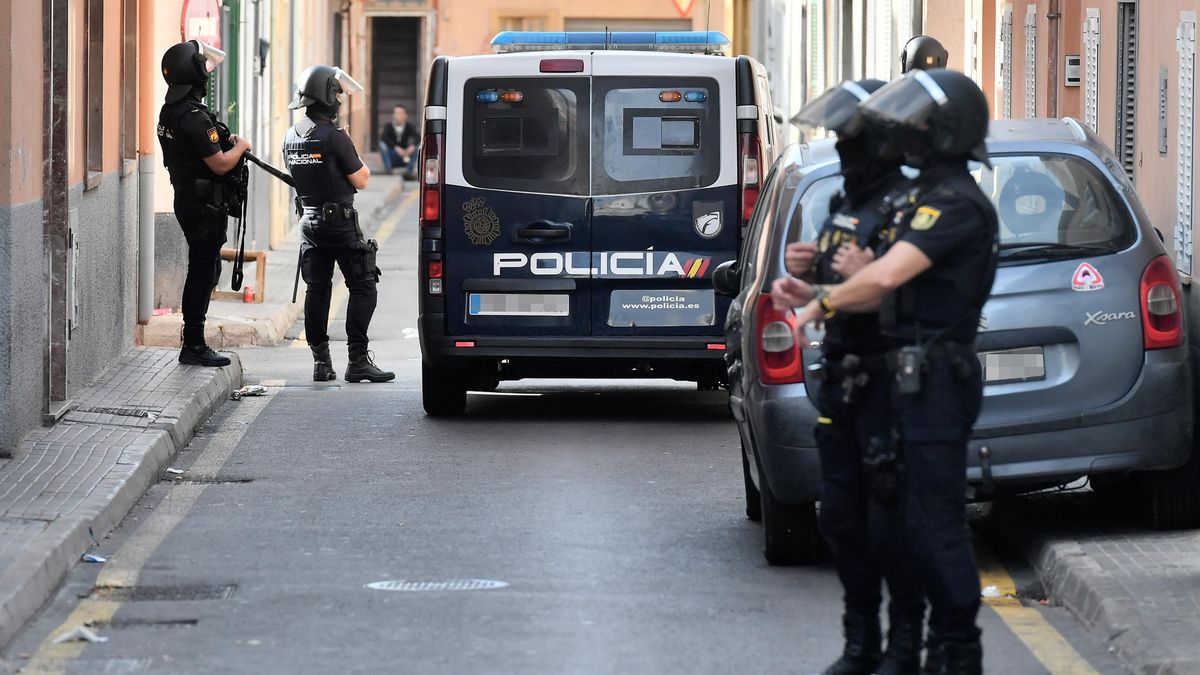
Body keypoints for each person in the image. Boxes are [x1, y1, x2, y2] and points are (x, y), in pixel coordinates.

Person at [772, 68, 997, 675]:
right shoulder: (921, 200)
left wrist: (821, 301)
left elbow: (886, 277)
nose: (908, 136)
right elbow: (875, 281)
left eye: (920, 124)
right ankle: (899, 649)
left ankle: (949, 654)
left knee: (928, 525)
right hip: (901, 383)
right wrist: (821, 281)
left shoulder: (952, 204)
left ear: (944, 132)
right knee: (879, 520)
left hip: (932, 381)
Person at [788, 80, 926, 675]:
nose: (842, 148)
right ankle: (860, 641)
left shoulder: (906, 206)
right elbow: (838, 282)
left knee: (889, 521)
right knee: (841, 518)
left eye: (851, 138)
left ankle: (902, 645)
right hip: (842, 380)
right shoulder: (846, 201)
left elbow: (908, 292)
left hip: (889, 382)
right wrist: (808, 278)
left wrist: (846, 287)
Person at [285, 64, 396, 383]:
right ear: (326, 96)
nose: (340, 99)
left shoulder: (290, 136)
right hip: (340, 225)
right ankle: (357, 360)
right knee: (363, 286)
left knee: (317, 290)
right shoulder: (334, 137)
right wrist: (350, 146)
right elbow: (361, 178)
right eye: (337, 93)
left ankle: (322, 363)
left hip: (308, 224)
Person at [157, 40, 250, 367]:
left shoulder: (170, 112)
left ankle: (194, 339)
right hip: (204, 205)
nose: (207, 74)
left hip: (186, 199)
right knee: (202, 270)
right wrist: (241, 147)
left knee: (206, 268)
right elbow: (221, 165)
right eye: (203, 67)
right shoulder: (195, 117)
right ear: (193, 73)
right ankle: (194, 343)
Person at [378, 104, 420, 179]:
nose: (397, 116)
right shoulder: (389, 126)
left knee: (417, 147)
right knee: (382, 145)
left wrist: (412, 146)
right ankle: (389, 170)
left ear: (405, 115)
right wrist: (395, 148)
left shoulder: (408, 126)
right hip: (392, 155)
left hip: (405, 156)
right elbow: (384, 138)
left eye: (400, 113)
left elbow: (418, 137)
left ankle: (408, 171)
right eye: (396, 113)